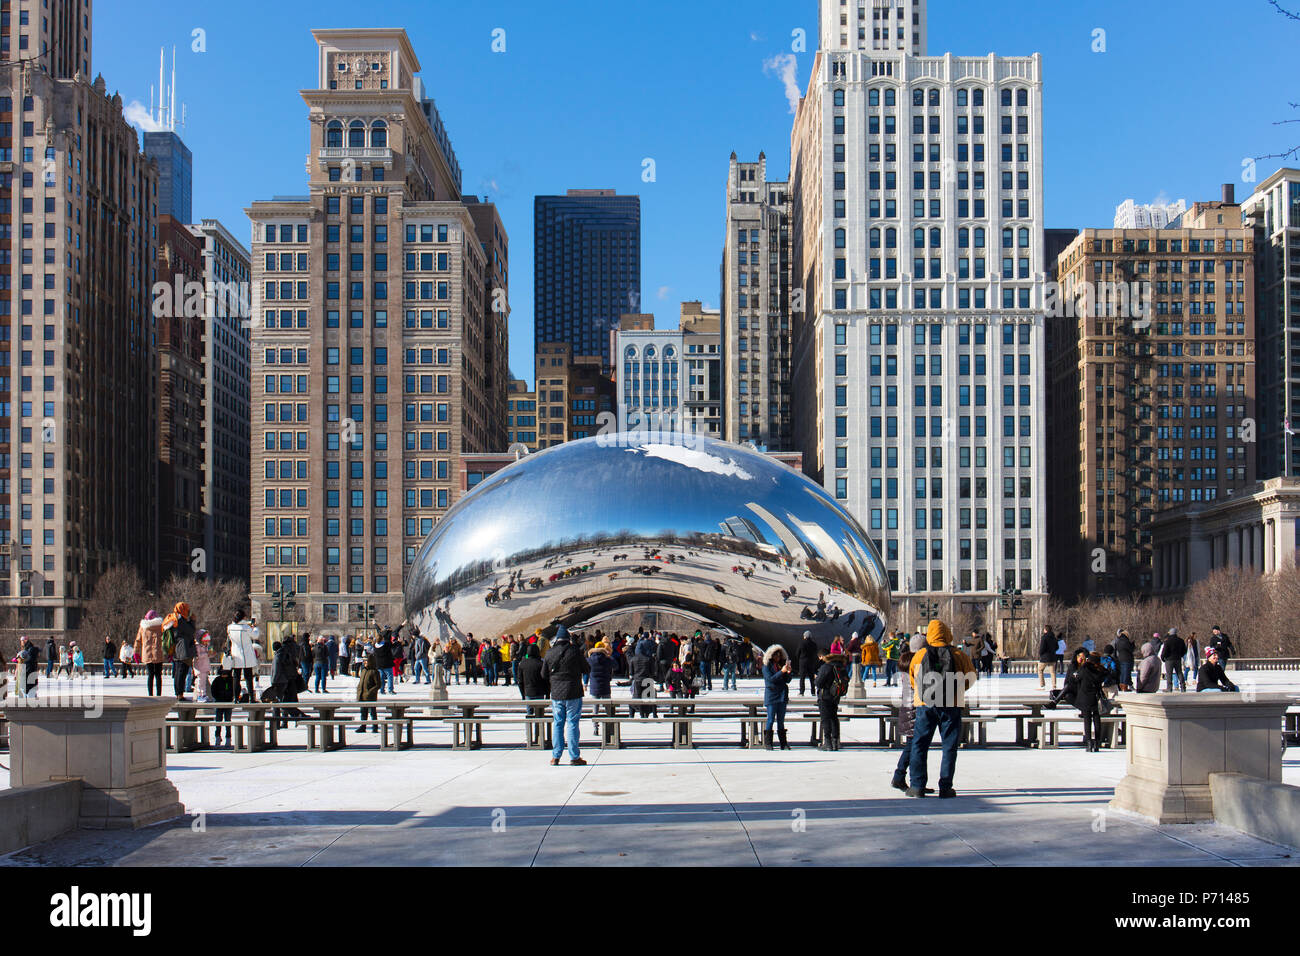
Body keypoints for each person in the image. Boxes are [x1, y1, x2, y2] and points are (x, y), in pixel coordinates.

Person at [905, 620, 977, 799]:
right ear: (947, 633)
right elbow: (971, 677)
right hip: (951, 704)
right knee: (949, 746)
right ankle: (945, 787)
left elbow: (912, 679)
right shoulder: (958, 654)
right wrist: (957, 689)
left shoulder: (920, 655)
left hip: (925, 704)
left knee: (920, 744)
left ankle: (917, 786)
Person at [889, 633, 932, 793]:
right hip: (915, 708)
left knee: (914, 745)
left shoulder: (908, 662)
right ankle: (902, 777)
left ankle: (908, 778)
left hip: (908, 707)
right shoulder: (918, 663)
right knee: (915, 746)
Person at [542, 624, 589, 766]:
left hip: (557, 693)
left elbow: (543, 674)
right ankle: (574, 757)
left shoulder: (550, 653)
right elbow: (587, 668)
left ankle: (555, 756)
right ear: (568, 639)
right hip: (573, 692)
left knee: (558, 724)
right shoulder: (574, 651)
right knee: (573, 723)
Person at [762, 644, 794, 751]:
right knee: (770, 719)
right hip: (772, 695)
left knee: (781, 721)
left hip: (782, 695)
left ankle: (783, 743)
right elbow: (771, 679)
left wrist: (788, 672)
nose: (778, 658)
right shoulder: (766, 666)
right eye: (776, 655)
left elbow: (787, 680)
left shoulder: (781, 665)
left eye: (779, 656)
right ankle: (768, 743)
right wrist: (782, 672)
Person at [1074, 653, 1109, 752]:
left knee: (1087, 720)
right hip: (1096, 697)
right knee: (1097, 719)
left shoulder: (1085, 669)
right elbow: (1107, 674)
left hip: (1085, 697)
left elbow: (1077, 678)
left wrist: (1084, 665)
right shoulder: (1100, 671)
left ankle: (1089, 743)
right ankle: (1097, 742)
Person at [814, 652, 848, 750]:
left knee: (825, 718)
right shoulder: (841, 667)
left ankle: (827, 743)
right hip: (836, 695)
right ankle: (835, 742)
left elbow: (819, 683)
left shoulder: (826, 667)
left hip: (825, 696)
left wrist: (816, 679)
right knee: (834, 717)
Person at [165, 603, 197, 700]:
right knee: (181, 672)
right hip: (183, 649)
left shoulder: (174, 619)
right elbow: (191, 631)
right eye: (187, 609)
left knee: (179, 671)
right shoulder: (180, 620)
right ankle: (180, 694)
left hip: (177, 648)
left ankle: (178, 693)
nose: (188, 611)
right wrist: (192, 621)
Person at [226, 611, 259, 702]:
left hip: (236, 653)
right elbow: (255, 636)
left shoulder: (230, 627)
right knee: (248, 677)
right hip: (246, 654)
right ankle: (251, 697)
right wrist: (255, 628)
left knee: (236, 677)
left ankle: (236, 697)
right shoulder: (246, 628)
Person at [628, 634, 658, 717]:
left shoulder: (633, 659)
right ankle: (649, 714)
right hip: (647, 679)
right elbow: (653, 671)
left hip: (637, 680)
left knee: (637, 697)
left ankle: (637, 714)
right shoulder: (649, 659)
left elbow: (631, 672)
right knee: (649, 698)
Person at [138, 610, 166, 696]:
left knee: (150, 675)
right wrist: (169, 651)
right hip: (159, 653)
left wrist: (136, 652)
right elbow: (166, 640)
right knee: (158, 675)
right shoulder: (161, 626)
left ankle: (150, 694)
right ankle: (159, 694)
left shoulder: (143, 626)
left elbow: (138, 640)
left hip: (147, 653)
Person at [356, 653, 382, 734]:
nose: (364, 663)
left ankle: (375, 727)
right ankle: (363, 726)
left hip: (370, 696)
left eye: (366, 661)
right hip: (362, 695)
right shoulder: (364, 671)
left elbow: (378, 684)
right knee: (363, 712)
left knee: (372, 713)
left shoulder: (374, 671)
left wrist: (370, 691)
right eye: (364, 661)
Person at [211, 665, 235, 748]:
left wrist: (232, 697)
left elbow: (234, 689)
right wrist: (217, 698)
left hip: (228, 702)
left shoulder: (231, 680)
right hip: (219, 702)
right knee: (218, 720)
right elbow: (213, 690)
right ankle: (217, 736)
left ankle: (228, 737)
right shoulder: (217, 680)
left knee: (228, 721)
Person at [1160, 627, 1187, 693]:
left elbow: (1164, 651)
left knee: (1169, 674)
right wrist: (1180, 655)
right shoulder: (1181, 640)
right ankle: (1183, 687)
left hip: (1169, 659)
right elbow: (1185, 650)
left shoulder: (1167, 641)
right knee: (1179, 673)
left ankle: (1169, 688)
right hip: (1178, 659)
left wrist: (1163, 657)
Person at [372, 629, 395, 694]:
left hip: (379, 664)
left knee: (381, 677)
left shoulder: (375, 646)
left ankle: (382, 689)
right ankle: (390, 690)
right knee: (390, 676)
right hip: (387, 663)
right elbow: (390, 644)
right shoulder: (386, 645)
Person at [797, 631, 819, 696]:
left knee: (802, 677)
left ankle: (801, 691)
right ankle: (813, 691)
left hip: (803, 662)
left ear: (805, 636)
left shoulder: (802, 644)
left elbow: (797, 653)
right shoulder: (814, 644)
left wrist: (800, 659)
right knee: (811, 677)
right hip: (811, 662)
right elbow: (815, 653)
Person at [1037, 625, 1058, 690]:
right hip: (1052, 657)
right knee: (1052, 672)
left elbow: (1042, 647)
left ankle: (1042, 685)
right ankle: (1054, 686)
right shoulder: (1054, 638)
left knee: (1040, 670)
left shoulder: (1044, 637)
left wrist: (1040, 653)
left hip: (1045, 657)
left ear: (1045, 630)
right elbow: (1057, 647)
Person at [193, 635, 213, 701]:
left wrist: (211, 654)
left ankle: (203, 694)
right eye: (205, 641)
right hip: (200, 667)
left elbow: (208, 655)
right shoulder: (197, 646)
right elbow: (198, 656)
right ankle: (200, 695)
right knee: (200, 682)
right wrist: (206, 654)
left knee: (203, 682)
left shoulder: (206, 646)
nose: (206, 643)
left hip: (205, 666)